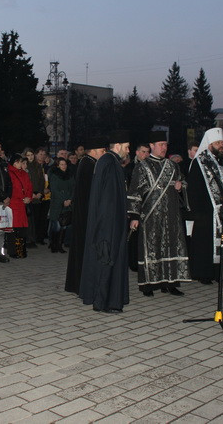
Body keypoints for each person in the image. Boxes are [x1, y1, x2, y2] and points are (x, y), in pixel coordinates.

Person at [128, 131, 190, 296]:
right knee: (152, 248)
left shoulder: (172, 165)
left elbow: (183, 181)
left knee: (171, 247)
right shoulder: (142, 166)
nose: (164, 148)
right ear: (152, 146)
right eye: (161, 145)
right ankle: (148, 285)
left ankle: (170, 283)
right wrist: (134, 216)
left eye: (165, 144)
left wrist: (180, 185)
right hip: (150, 215)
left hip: (171, 215)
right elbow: (135, 192)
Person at [79, 130, 130, 313]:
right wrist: (107, 229)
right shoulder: (109, 163)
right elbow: (107, 200)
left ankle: (109, 300)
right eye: (127, 147)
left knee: (109, 262)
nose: (128, 150)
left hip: (112, 223)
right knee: (106, 262)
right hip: (109, 226)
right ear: (117, 146)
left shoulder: (111, 162)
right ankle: (104, 302)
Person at [186, 128, 223, 285]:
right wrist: (198, 211)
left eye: (222, 142)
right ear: (209, 144)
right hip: (207, 212)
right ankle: (205, 274)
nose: (221, 145)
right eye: (217, 143)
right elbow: (194, 189)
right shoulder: (200, 162)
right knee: (206, 244)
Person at [65, 137, 106, 294]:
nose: (104, 154)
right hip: (86, 214)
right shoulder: (89, 165)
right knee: (83, 249)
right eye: (102, 151)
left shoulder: (87, 163)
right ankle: (82, 284)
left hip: (83, 213)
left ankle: (77, 283)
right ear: (94, 151)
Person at [6, 154, 32, 258]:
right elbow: (11, 189)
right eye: (19, 162)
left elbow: (29, 186)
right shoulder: (9, 173)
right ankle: (13, 251)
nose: (21, 164)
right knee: (13, 229)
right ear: (14, 162)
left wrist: (28, 197)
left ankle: (21, 250)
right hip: (14, 204)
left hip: (22, 204)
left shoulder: (24, 174)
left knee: (22, 228)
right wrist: (22, 197)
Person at [47, 157, 74, 253]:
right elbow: (55, 190)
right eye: (62, 164)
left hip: (68, 203)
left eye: (65, 164)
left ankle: (59, 245)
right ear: (58, 165)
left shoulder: (70, 175)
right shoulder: (54, 175)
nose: (64, 166)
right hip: (57, 203)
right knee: (56, 225)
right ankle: (53, 244)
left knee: (64, 225)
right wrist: (63, 200)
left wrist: (70, 199)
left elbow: (73, 188)